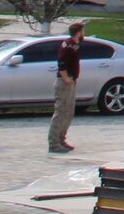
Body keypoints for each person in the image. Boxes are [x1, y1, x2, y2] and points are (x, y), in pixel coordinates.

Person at [48, 20, 87, 153]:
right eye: (82, 31)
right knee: (61, 111)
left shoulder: (74, 45)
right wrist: (65, 77)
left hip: (71, 81)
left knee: (68, 112)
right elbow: (62, 62)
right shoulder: (69, 45)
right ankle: (54, 142)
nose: (83, 34)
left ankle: (61, 139)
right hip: (64, 82)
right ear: (78, 32)